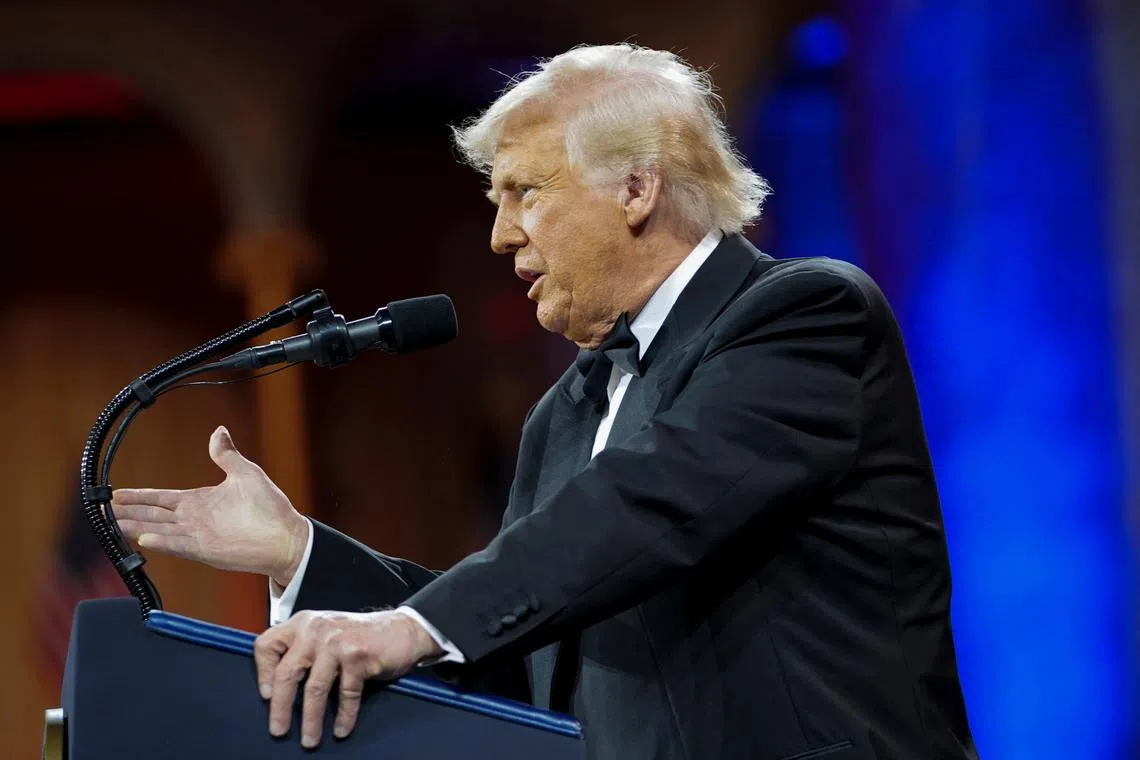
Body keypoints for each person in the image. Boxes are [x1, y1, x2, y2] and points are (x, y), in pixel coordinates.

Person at [111, 43, 978, 760]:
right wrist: (299, 554)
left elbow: (651, 500)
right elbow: (516, 647)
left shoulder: (804, 316)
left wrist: (413, 626)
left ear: (637, 187)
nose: (500, 233)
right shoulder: (564, 413)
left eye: (525, 191)